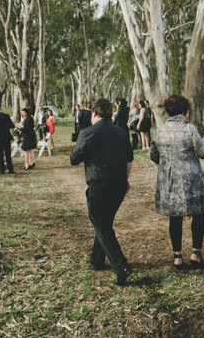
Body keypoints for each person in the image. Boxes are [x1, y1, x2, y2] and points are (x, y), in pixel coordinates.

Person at [70, 98, 134, 286]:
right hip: (119, 184)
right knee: (104, 222)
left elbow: (74, 159)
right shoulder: (121, 132)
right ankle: (96, 260)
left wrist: (78, 150)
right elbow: (128, 160)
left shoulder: (87, 132)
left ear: (94, 114)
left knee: (101, 224)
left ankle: (121, 266)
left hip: (99, 184)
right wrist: (126, 180)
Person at [151, 95, 204, 269]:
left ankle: (177, 257)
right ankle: (195, 254)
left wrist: (169, 163)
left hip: (169, 180)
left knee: (174, 217)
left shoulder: (159, 131)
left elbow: (154, 155)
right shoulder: (189, 129)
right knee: (199, 214)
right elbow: (202, 153)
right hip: (191, 179)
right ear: (185, 112)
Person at [0, 105, 15, 175]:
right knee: (8, 154)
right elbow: (12, 126)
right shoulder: (6, 116)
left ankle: (2, 170)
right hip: (6, 136)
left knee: (0, 154)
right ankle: (10, 169)